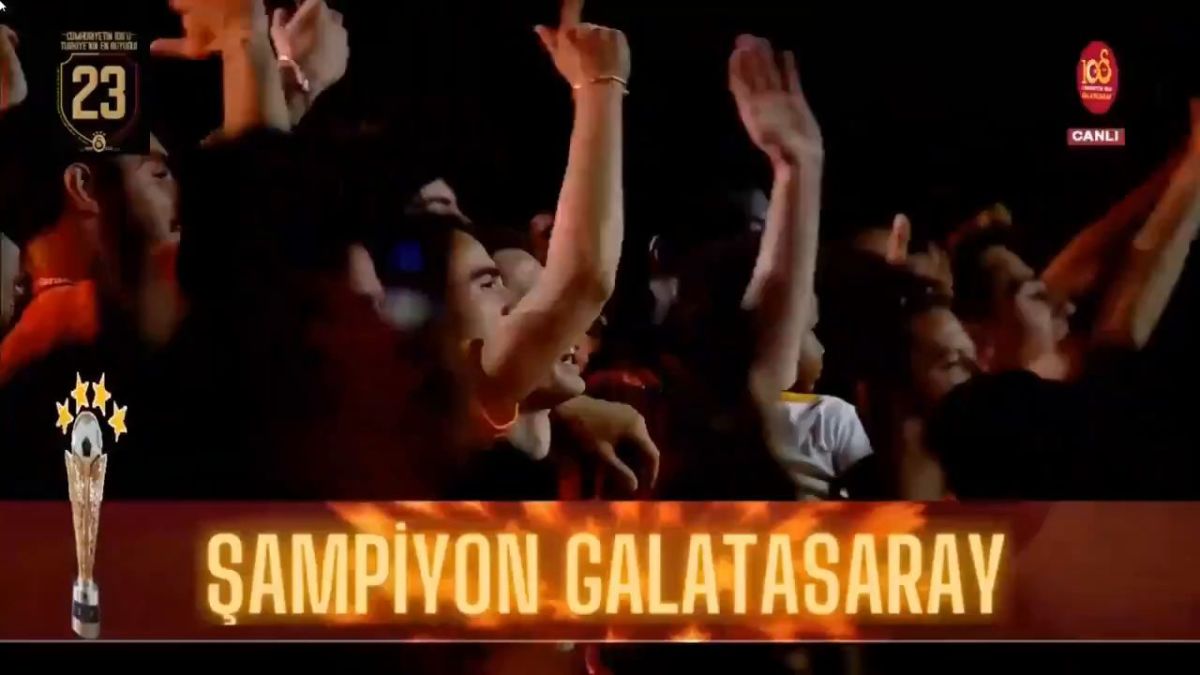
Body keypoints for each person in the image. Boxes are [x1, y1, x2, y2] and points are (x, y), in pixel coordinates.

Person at [443, 8, 628, 450]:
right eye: (489, 284)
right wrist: (599, 84)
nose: (534, 307)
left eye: (542, 284)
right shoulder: (466, 413)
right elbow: (584, 279)